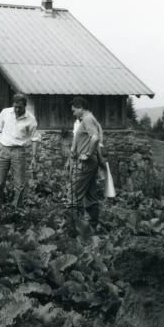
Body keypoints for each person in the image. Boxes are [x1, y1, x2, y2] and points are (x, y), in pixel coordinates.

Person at [0, 93, 40, 217]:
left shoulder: (31, 119)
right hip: (3, 150)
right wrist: (0, 146)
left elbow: (35, 139)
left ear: (25, 106)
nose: (17, 109)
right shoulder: (5, 113)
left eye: (20, 107)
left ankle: (16, 211)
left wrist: (34, 157)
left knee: (19, 184)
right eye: (15, 107)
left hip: (18, 152)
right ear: (13, 105)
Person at [66, 96, 103, 234]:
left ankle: (73, 232)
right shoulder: (90, 118)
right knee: (91, 195)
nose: (73, 113)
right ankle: (92, 228)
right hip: (91, 164)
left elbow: (95, 138)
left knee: (73, 196)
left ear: (80, 107)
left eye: (74, 110)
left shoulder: (87, 119)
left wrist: (87, 154)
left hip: (85, 164)